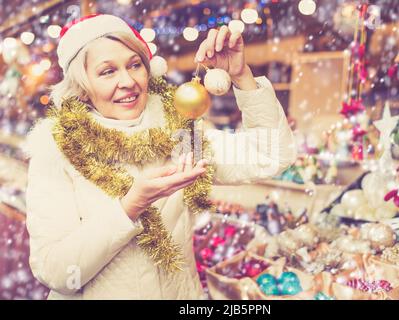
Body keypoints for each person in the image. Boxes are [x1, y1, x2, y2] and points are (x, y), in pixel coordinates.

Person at [24, 14, 296, 299]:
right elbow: (57, 273)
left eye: (134, 65)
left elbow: (270, 156)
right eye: (107, 72)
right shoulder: (59, 152)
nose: (128, 81)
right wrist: (130, 206)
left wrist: (242, 77)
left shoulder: (179, 133)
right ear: (82, 86)